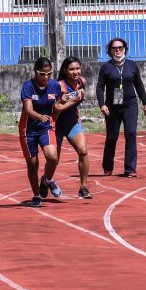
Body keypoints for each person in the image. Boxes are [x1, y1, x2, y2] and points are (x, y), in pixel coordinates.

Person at [96, 38, 146, 178]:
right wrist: (102, 104)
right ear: (110, 51)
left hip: (130, 105)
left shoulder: (132, 65)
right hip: (112, 107)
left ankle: (130, 169)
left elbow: (139, 85)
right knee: (112, 137)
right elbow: (100, 86)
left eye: (120, 47)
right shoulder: (106, 67)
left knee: (131, 134)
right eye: (114, 48)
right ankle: (108, 166)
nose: (118, 50)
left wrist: (145, 103)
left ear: (125, 49)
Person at [18, 57, 62, 207]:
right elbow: (28, 110)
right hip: (28, 129)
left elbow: (57, 106)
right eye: (42, 74)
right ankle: (36, 196)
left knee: (52, 157)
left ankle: (47, 179)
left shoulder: (55, 86)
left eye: (49, 73)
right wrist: (39, 116)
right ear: (36, 72)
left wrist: (68, 103)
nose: (46, 77)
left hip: (46, 127)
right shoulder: (28, 86)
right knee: (32, 165)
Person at [54, 56, 92, 199]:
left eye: (77, 68)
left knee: (83, 151)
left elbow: (75, 103)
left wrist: (77, 107)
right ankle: (46, 180)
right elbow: (57, 108)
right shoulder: (59, 86)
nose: (75, 72)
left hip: (72, 123)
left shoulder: (82, 82)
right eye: (71, 69)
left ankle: (83, 187)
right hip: (56, 125)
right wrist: (74, 99)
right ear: (65, 70)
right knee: (54, 160)